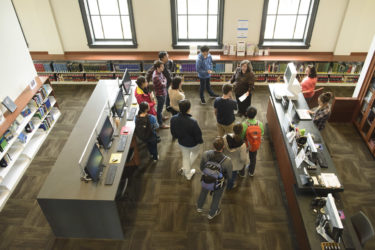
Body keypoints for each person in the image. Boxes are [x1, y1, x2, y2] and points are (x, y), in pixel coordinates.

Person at [197, 137, 232, 219]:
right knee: (216, 197)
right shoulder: (227, 160)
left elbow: (201, 167)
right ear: (223, 147)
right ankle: (212, 213)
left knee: (203, 192)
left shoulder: (206, 154)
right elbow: (229, 175)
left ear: (213, 146)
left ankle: (199, 207)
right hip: (218, 183)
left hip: (206, 179)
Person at [170, 99, 203, 180]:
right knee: (195, 153)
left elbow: (173, 132)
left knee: (185, 157)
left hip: (181, 142)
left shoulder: (173, 118)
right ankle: (187, 173)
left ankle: (185, 169)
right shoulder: (193, 122)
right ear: (189, 108)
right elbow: (198, 135)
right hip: (193, 144)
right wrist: (200, 142)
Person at [240, 106, 264, 177]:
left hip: (245, 144)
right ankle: (251, 172)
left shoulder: (244, 124)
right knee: (253, 159)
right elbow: (262, 134)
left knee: (243, 158)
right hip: (255, 145)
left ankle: (242, 173)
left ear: (246, 113)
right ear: (255, 114)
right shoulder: (260, 124)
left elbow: (242, 136)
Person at [223, 123, 247, 190]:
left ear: (233, 129)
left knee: (225, 173)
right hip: (235, 165)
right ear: (241, 131)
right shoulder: (242, 145)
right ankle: (229, 187)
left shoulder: (225, 137)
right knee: (232, 177)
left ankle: (223, 181)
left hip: (225, 161)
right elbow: (243, 158)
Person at [152, 60, 169, 129]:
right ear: (157, 68)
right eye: (162, 67)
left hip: (163, 92)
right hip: (160, 94)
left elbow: (165, 79)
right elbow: (163, 85)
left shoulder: (159, 72)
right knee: (159, 109)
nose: (163, 68)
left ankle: (162, 117)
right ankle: (161, 124)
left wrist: (164, 81)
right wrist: (164, 81)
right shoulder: (156, 76)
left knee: (161, 108)